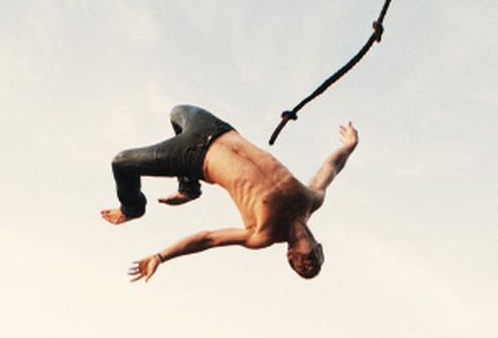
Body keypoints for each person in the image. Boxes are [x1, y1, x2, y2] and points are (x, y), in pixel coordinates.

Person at [101, 104, 357, 283]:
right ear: (320, 249)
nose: (310, 266)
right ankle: (188, 189)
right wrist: (349, 145)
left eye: (303, 269)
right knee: (177, 112)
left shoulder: (262, 234)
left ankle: (132, 208)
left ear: (289, 256)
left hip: (195, 158)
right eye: (314, 265)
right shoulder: (311, 199)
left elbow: (209, 239)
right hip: (217, 129)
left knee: (122, 163)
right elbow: (331, 167)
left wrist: (161, 256)